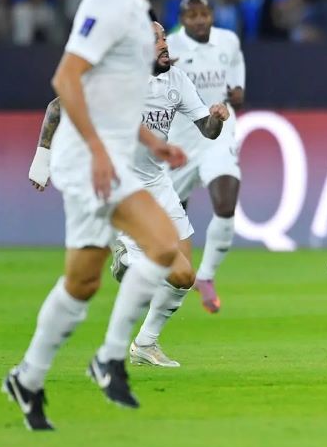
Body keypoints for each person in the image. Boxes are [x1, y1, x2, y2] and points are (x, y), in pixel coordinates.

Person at [4, 0, 182, 431]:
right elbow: (66, 79)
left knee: (82, 282)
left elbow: (111, 96)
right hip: (88, 160)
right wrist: (101, 152)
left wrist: (151, 141)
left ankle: (27, 377)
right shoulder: (109, 1)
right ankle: (109, 358)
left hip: (104, 157)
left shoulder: (134, 13)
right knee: (164, 247)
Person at [29, 21, 230, 368]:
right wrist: (41, 159)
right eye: (155, 40)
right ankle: (127, 258)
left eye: (164, 37)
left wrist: (217, 118)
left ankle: (145, 344)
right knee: (167, 269)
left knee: (183, 276)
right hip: (121, 186)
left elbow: (208, 131)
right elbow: (58, 106)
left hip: (157, 183)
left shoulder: (177, 81)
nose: (164, 44)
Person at [166, 0, 246, 313]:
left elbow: (236, 71)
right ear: (182, 20)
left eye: (204, 14)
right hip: (179, 142)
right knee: (168, 221)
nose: (199, 20)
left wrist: (237, 89)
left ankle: (206, 275)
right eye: (192, 15)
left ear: (212, 15)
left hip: (218, 135)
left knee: (226, 203)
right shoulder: (168, 48)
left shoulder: (228, 41)